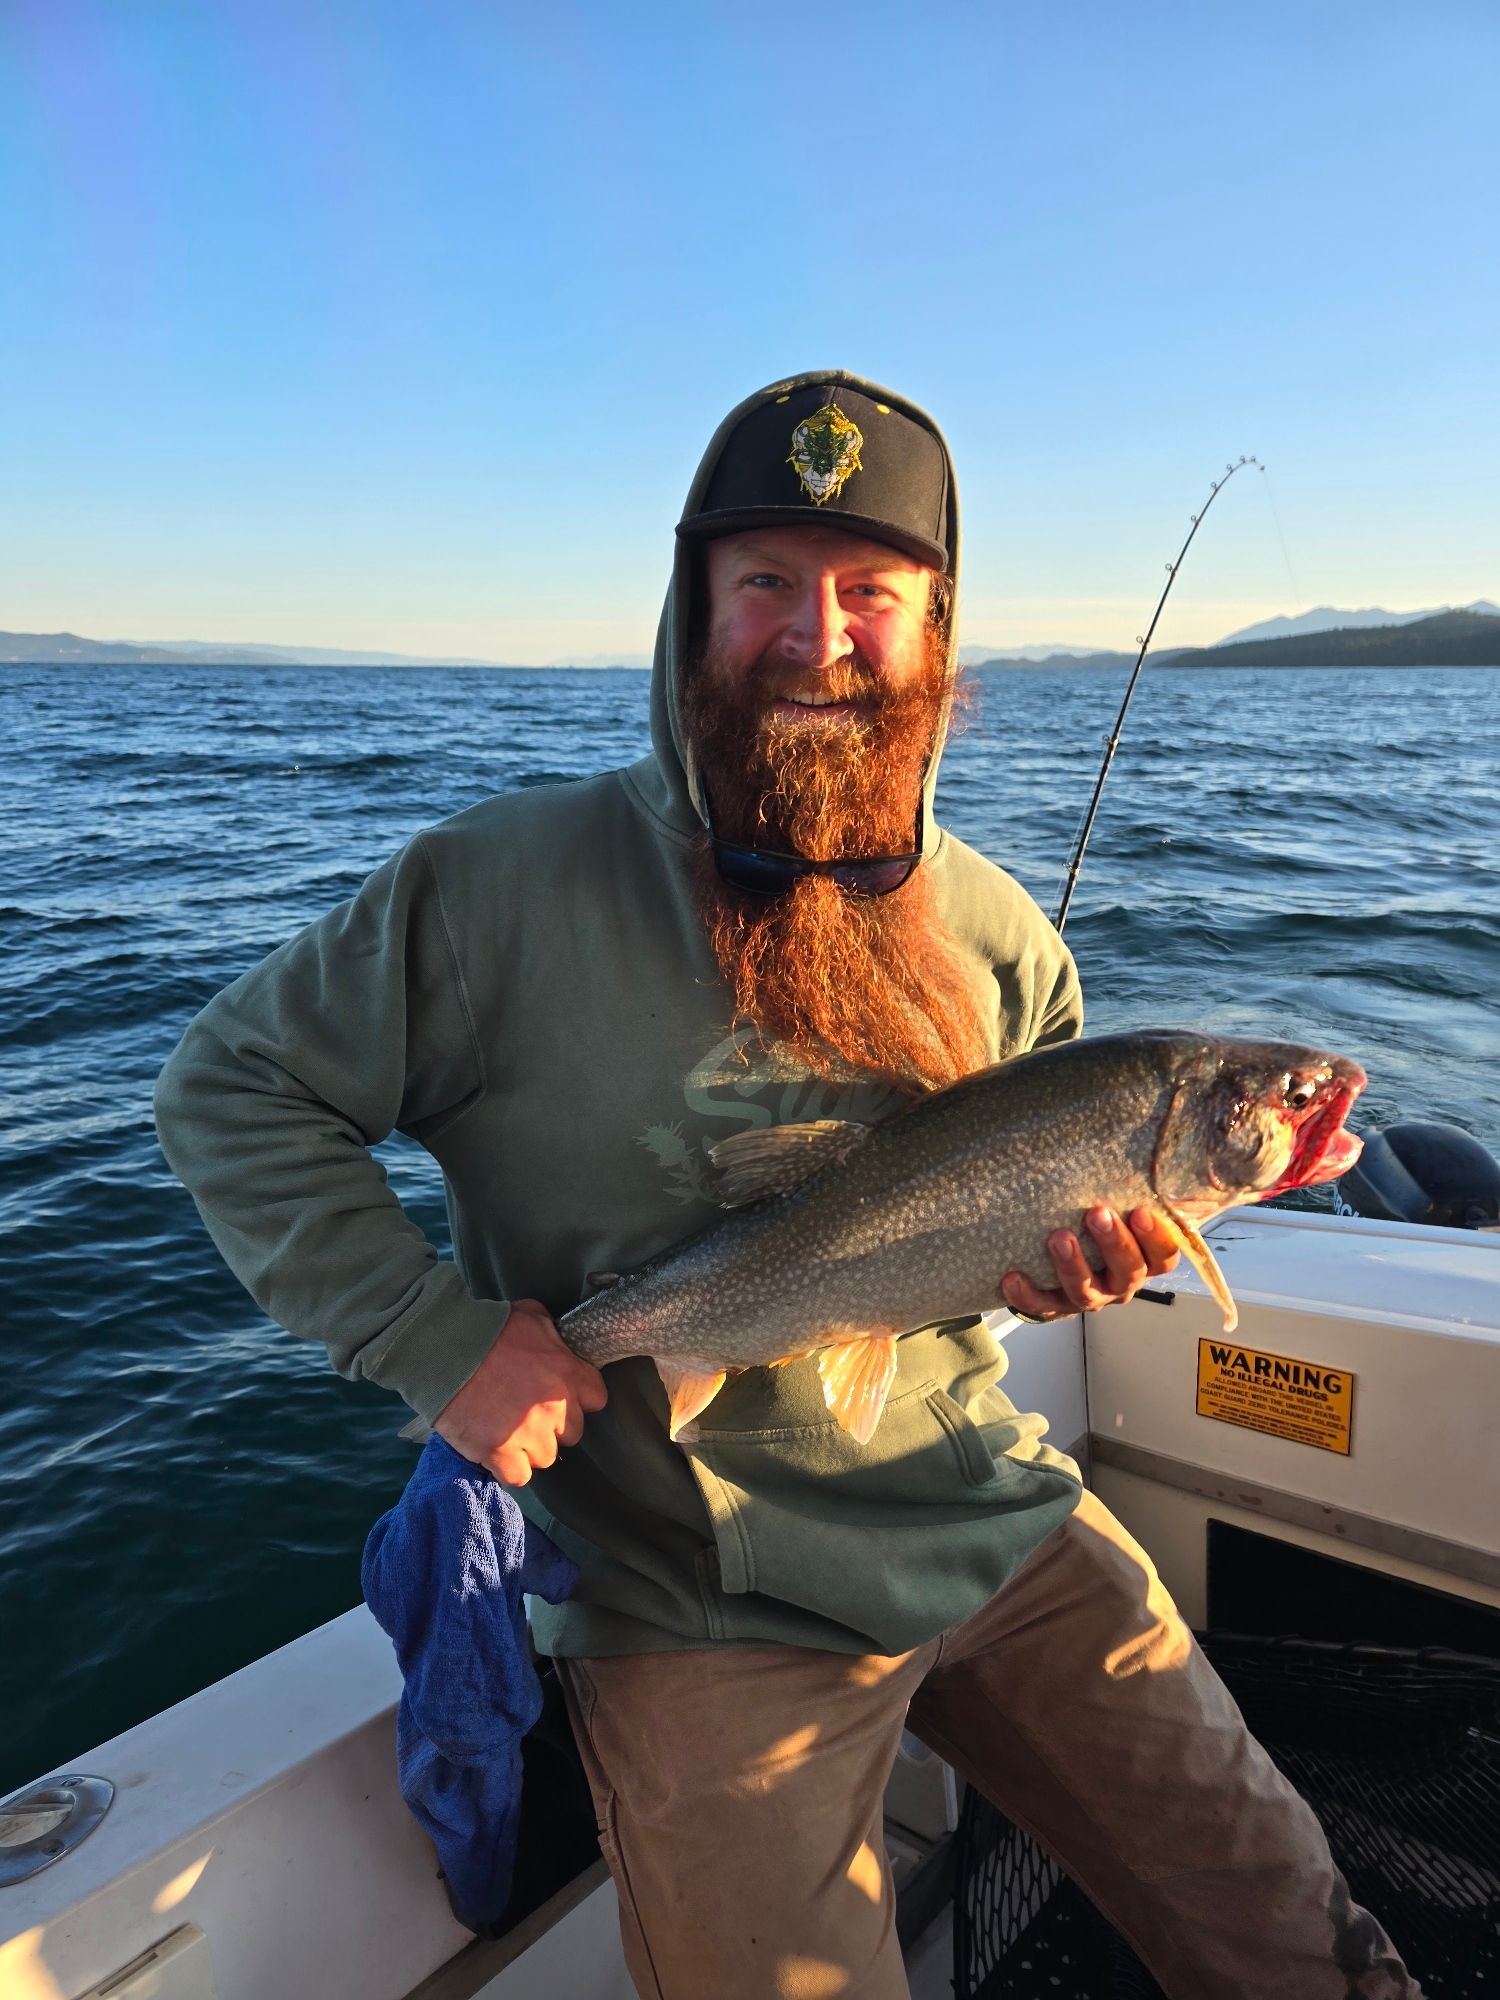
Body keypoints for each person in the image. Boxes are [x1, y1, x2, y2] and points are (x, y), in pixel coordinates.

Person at [155, 371, 1418, 1999]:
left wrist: (1068, 1274)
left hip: (991, 1510)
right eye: (767, 583)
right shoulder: (496, 889)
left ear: (937, 632)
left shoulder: (1013, 942)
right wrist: (432, 1336)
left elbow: (1003, 1253)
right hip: (689, 1596)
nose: (819, 637)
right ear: (691, 613)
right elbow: (228, 1086)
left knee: (1297, 1926)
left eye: (870, 594)